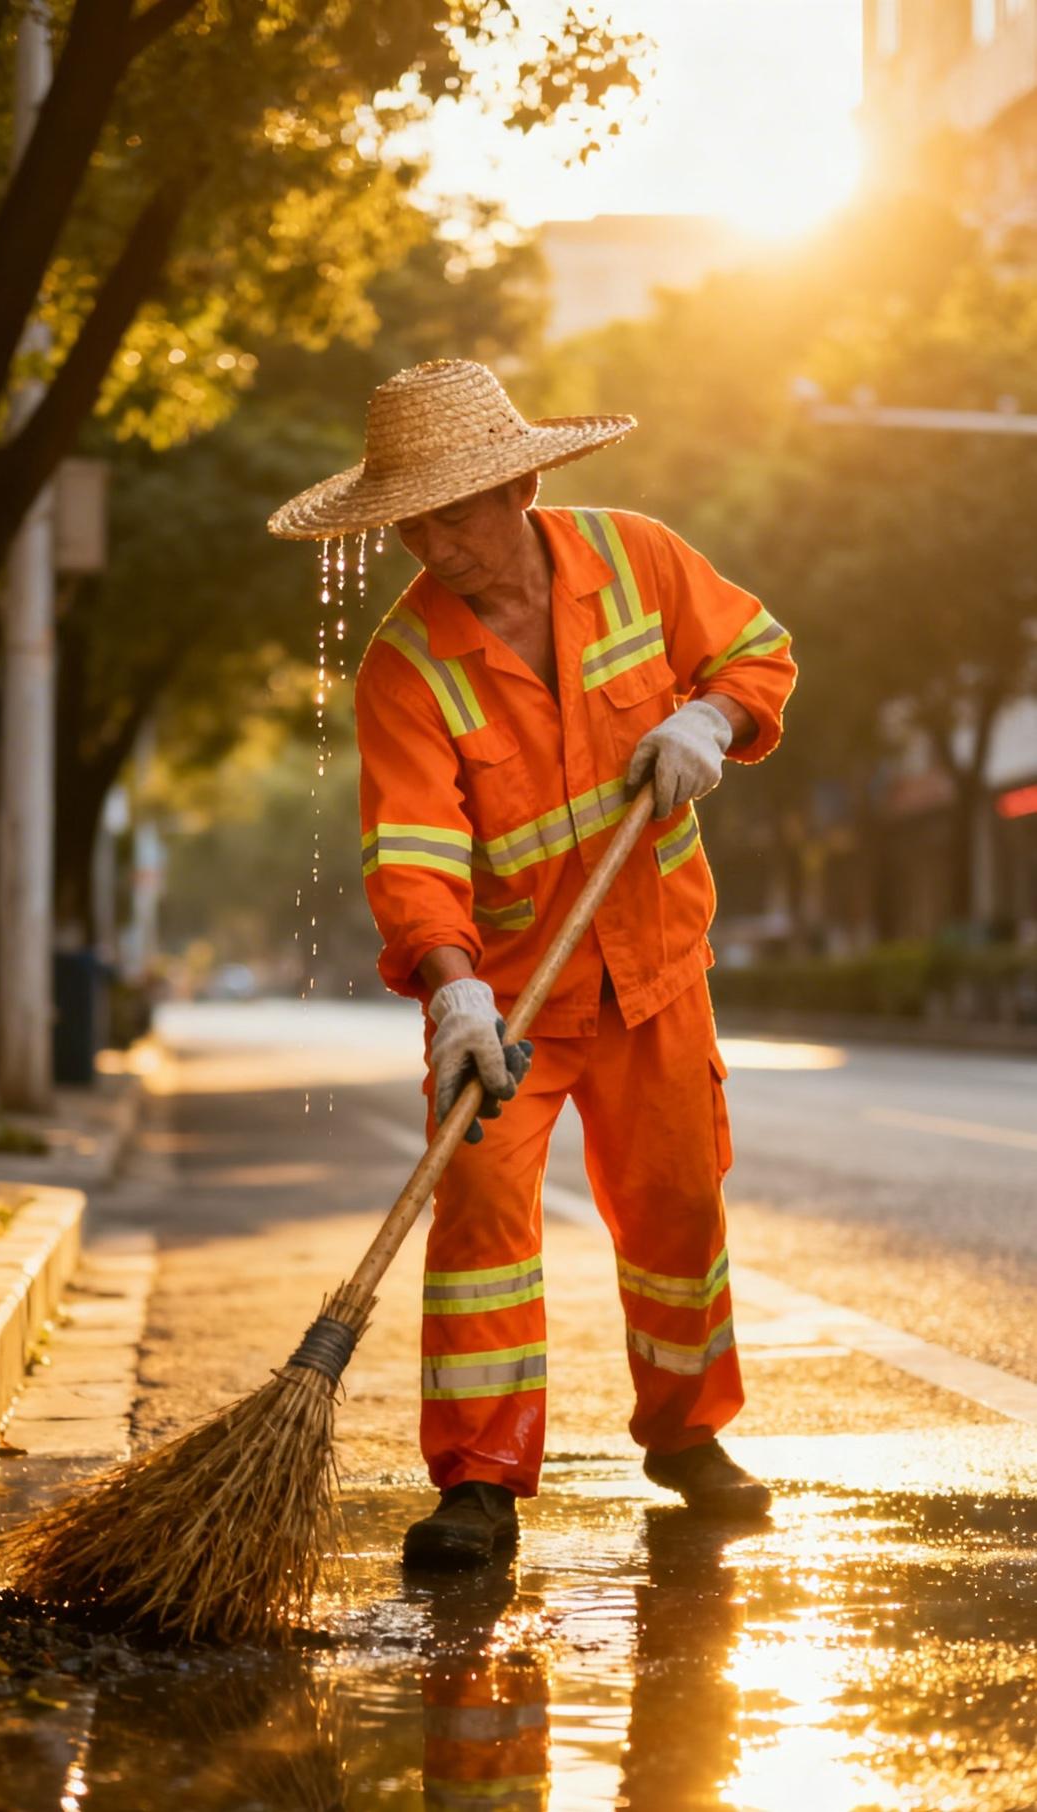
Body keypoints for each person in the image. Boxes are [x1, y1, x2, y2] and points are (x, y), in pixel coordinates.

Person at [269, 359, 797, 1569]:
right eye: (411, 520)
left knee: (675, 1203)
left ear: (521, 484)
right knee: (482, 1218)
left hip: (653, 964)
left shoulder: (639, 561)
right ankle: (480, 1480)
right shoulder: (406, 667)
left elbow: (757, 650)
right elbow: (409, 851)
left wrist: (711, 716)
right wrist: (452, 987)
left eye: (454, 509)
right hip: (503, 999)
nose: (433, 542)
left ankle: (684, 1435)